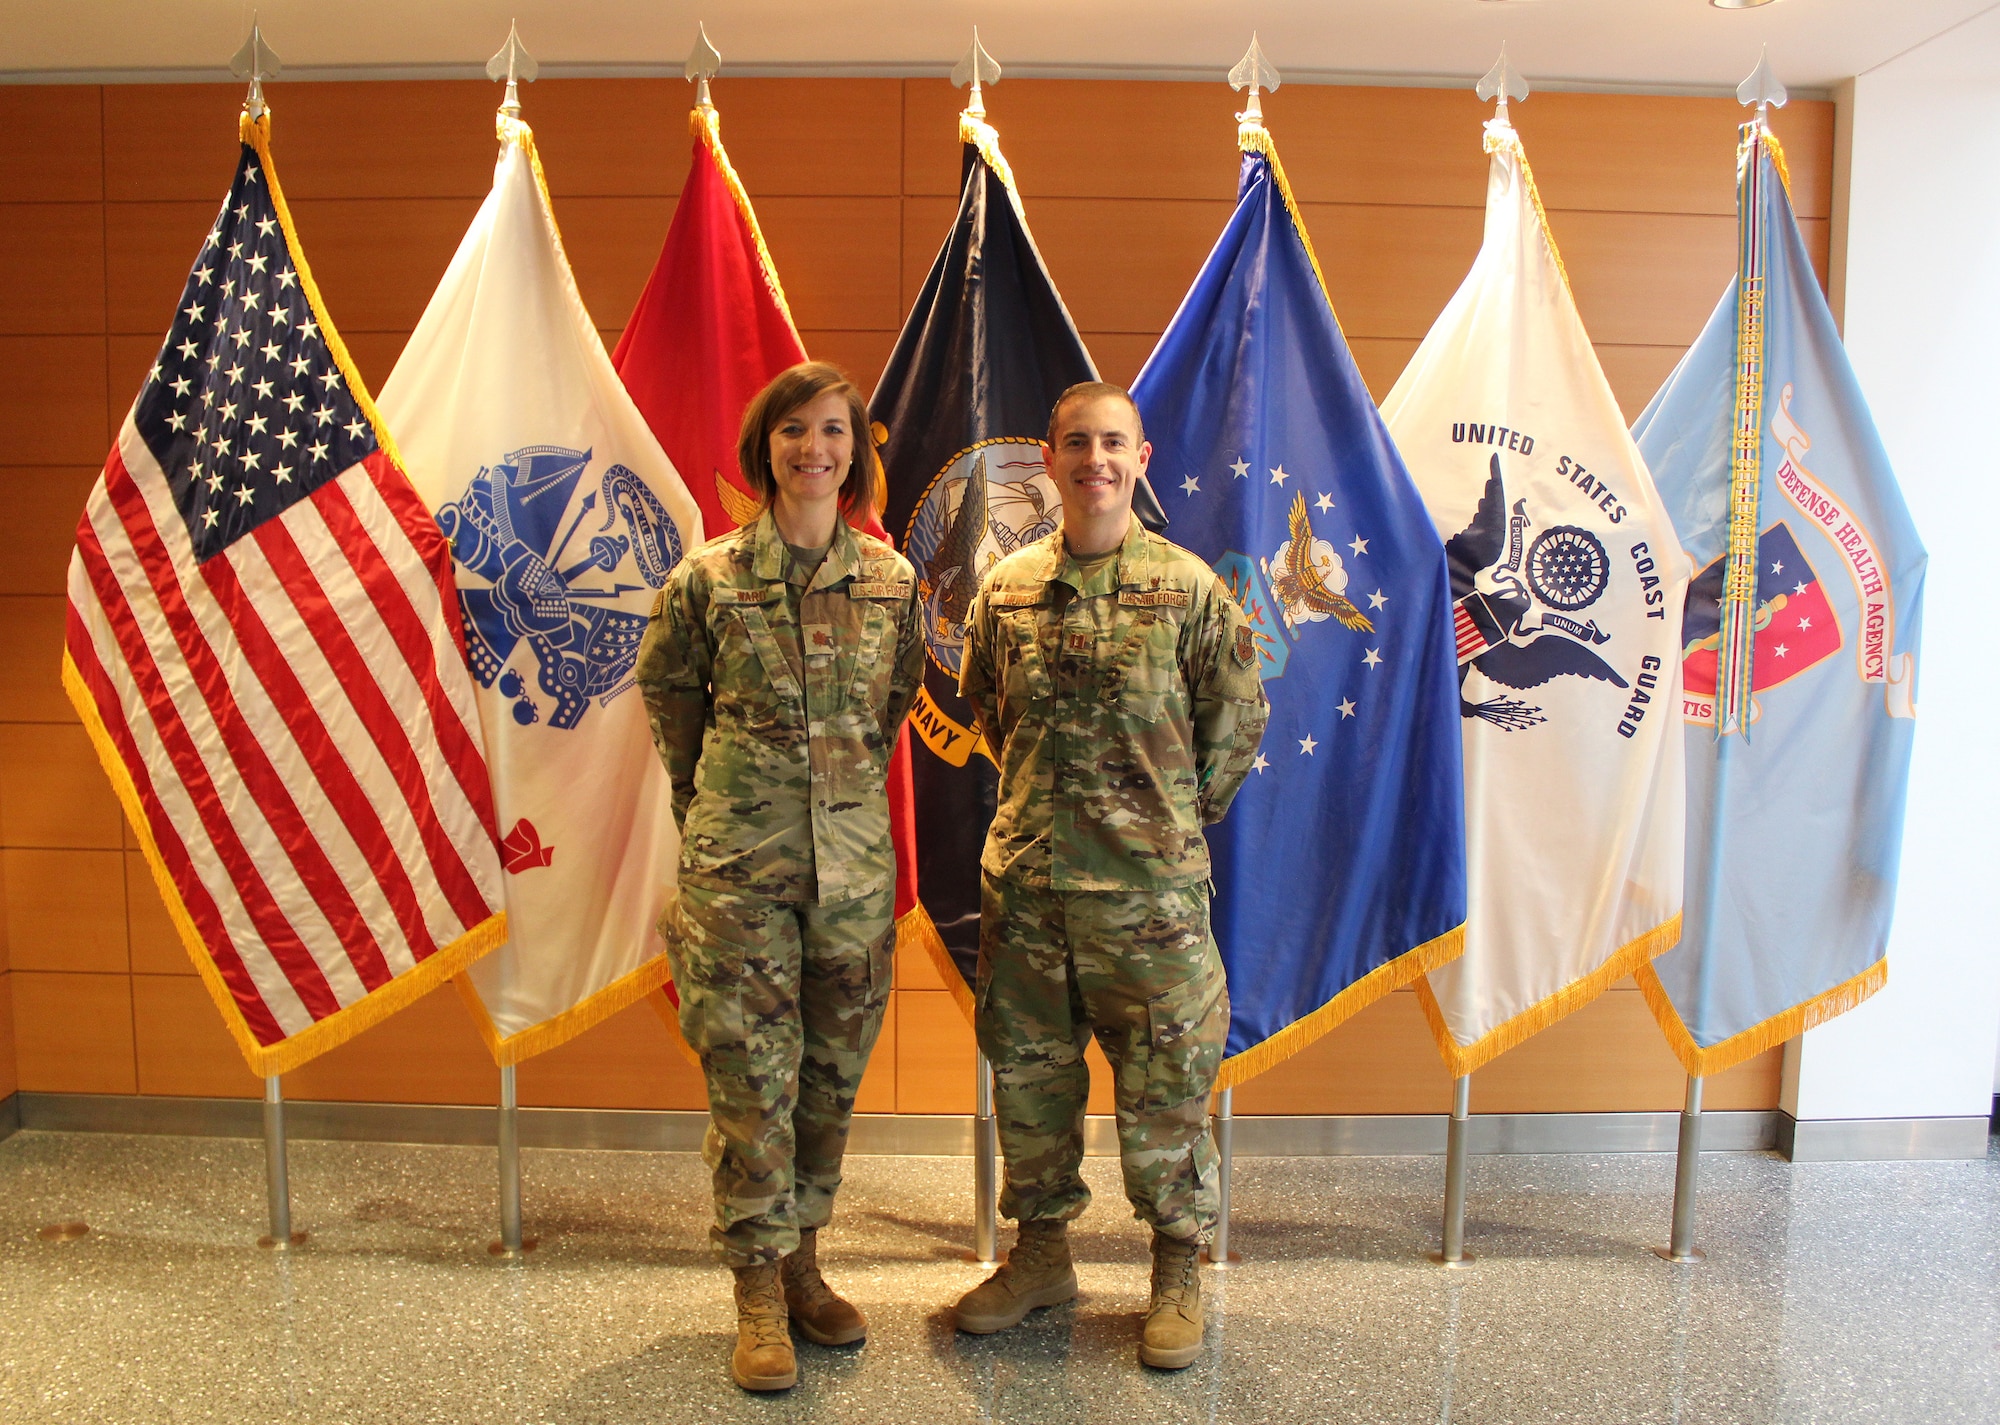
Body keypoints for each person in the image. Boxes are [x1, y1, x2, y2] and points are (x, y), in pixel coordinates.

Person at [952, 382, 1269, 1369]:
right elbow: (991, 722)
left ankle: (1175, 1270)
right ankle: (1040, 1256)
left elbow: (1236, 725)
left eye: (1112, 443)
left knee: (1166, 1092)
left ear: (1139, 458)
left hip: (1150, 909)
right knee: (1033, 1089)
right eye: (1075, 442)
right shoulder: (1002, 592)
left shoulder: (1189, 590)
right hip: (1033, 899)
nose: (1094, 458)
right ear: (1046, 459)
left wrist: (1160, 823)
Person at [636, 362, 923, 1393]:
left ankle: (804, 1260)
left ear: (855, 451)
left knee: (827, 1087)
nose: (815, 449)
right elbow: (674, 715)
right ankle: (755, 1287)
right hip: (738, 881)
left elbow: (886, 714)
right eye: (795, 430)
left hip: (849, 884)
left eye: (834, 432)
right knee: (751, 1085)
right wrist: (725, 819)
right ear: (766, 445)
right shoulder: (705, 581)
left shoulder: (891, 584)